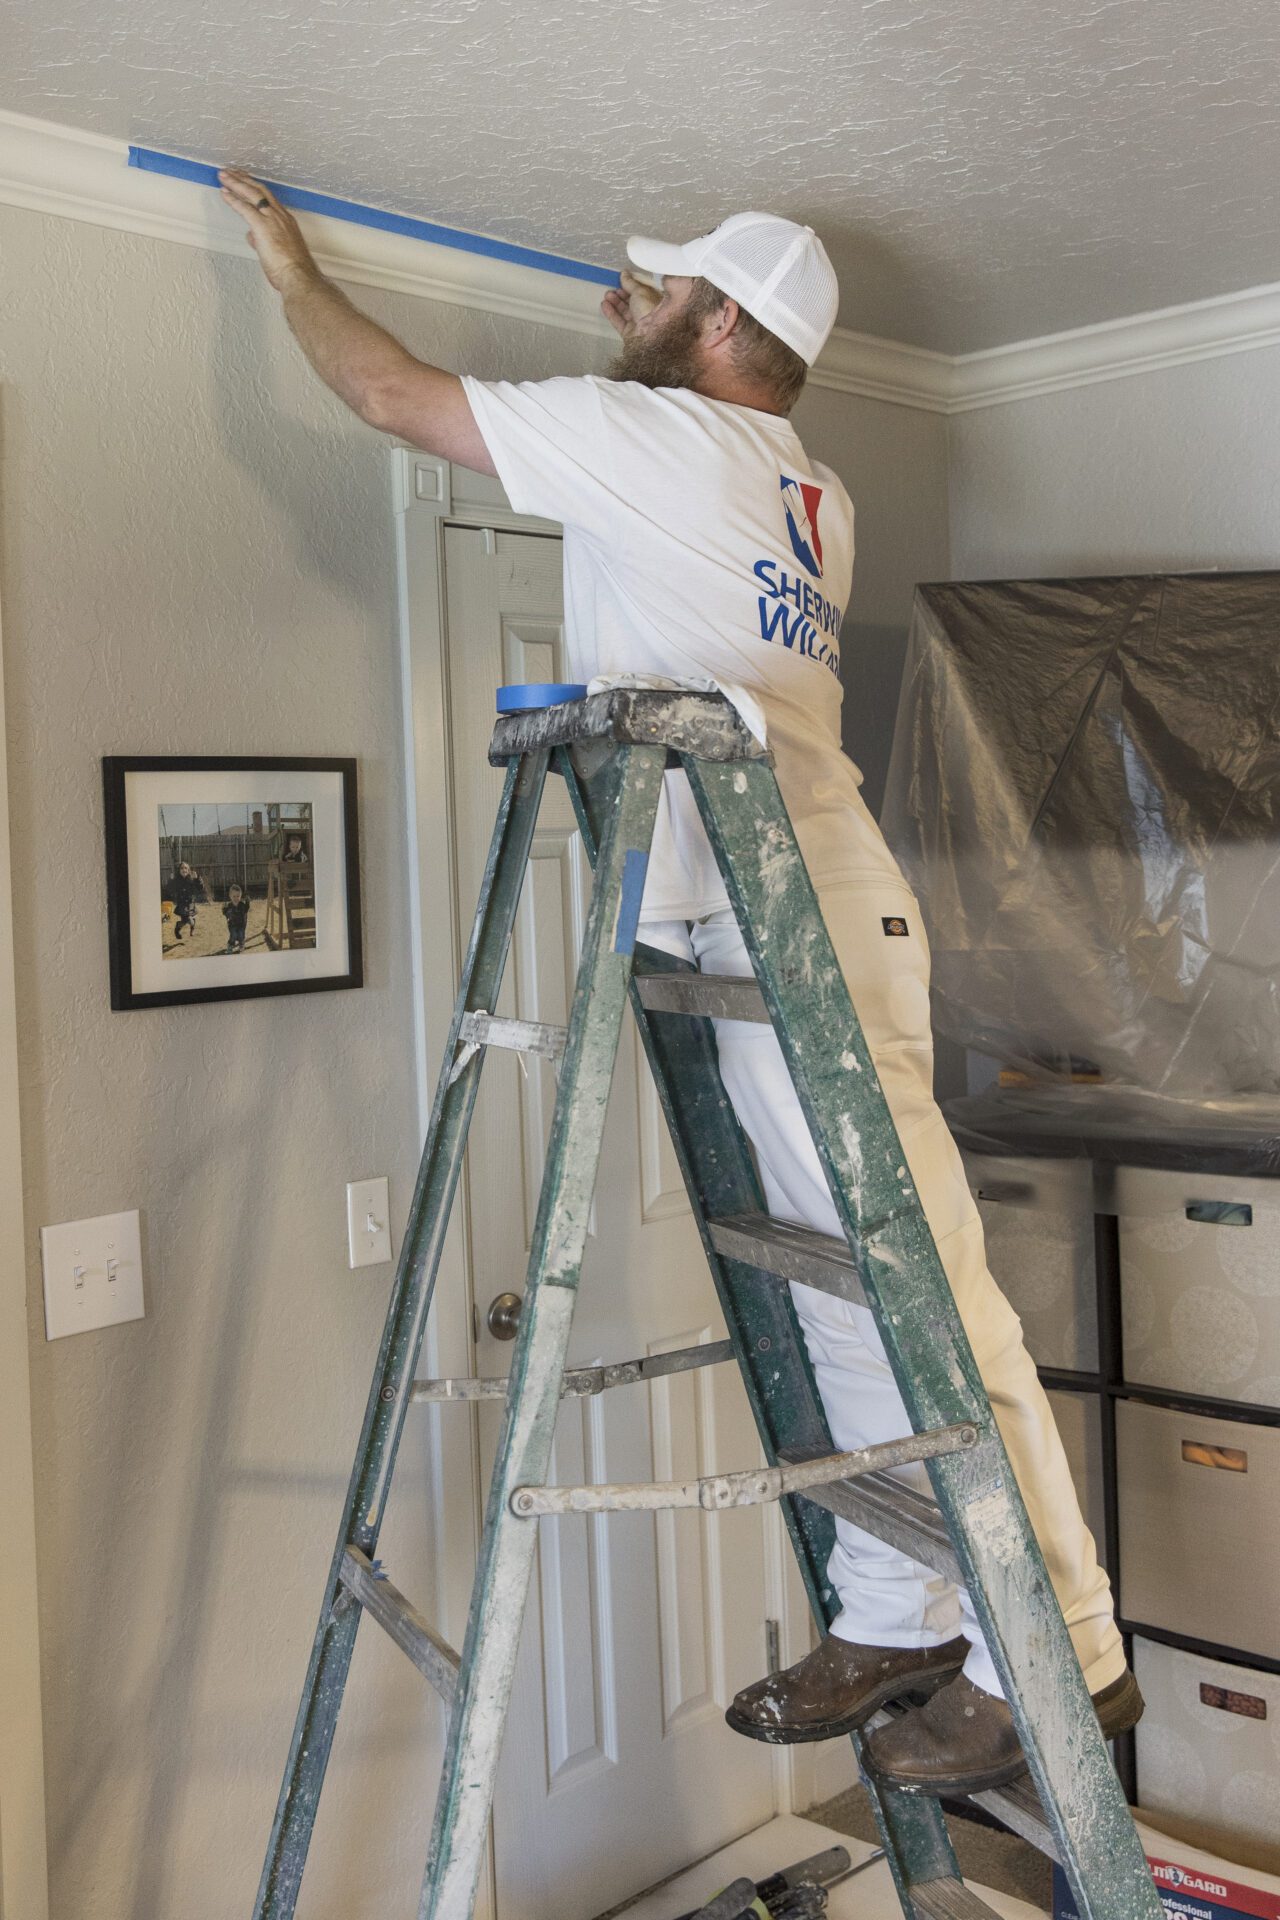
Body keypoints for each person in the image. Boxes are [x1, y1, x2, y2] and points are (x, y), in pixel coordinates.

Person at [219, 170, 1143, 1792]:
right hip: (764, 898)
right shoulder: (801, 484)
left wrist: (286, 260)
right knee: (838, 1287)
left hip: (793, 907)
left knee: (918, 1282)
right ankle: (898, 1603)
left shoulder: (676, 445)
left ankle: (1060, 1649)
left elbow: (380, 392)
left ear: (722, 321)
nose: (615, 309)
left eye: (646, 293)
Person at [169, 860, 205, 943]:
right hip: (182, 904)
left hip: (190, 904)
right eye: (182, 868)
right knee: (186, 920)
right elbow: (170, 889)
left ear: (188, 870)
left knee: (188, 921)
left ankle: (188, 925)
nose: (184, 870)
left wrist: (197, 879)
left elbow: (200, 888)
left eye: (186, 868)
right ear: (179, 870)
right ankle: (178, 928)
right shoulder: (177, 880)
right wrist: (171, 880)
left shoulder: (192, 879)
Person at [222, 882, 250, 953]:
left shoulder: (242, 905)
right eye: (234, 896)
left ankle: (241, 944)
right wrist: (224, 908)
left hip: (241, 924)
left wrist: (247, 901)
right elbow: (225, 913)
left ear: (240, 896)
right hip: (232, 924)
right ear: (230, 896)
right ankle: (230, 946)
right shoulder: (229, 905)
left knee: (241, 935)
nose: (236, 898)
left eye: (238, 896)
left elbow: (246, 909)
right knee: (233, 935)